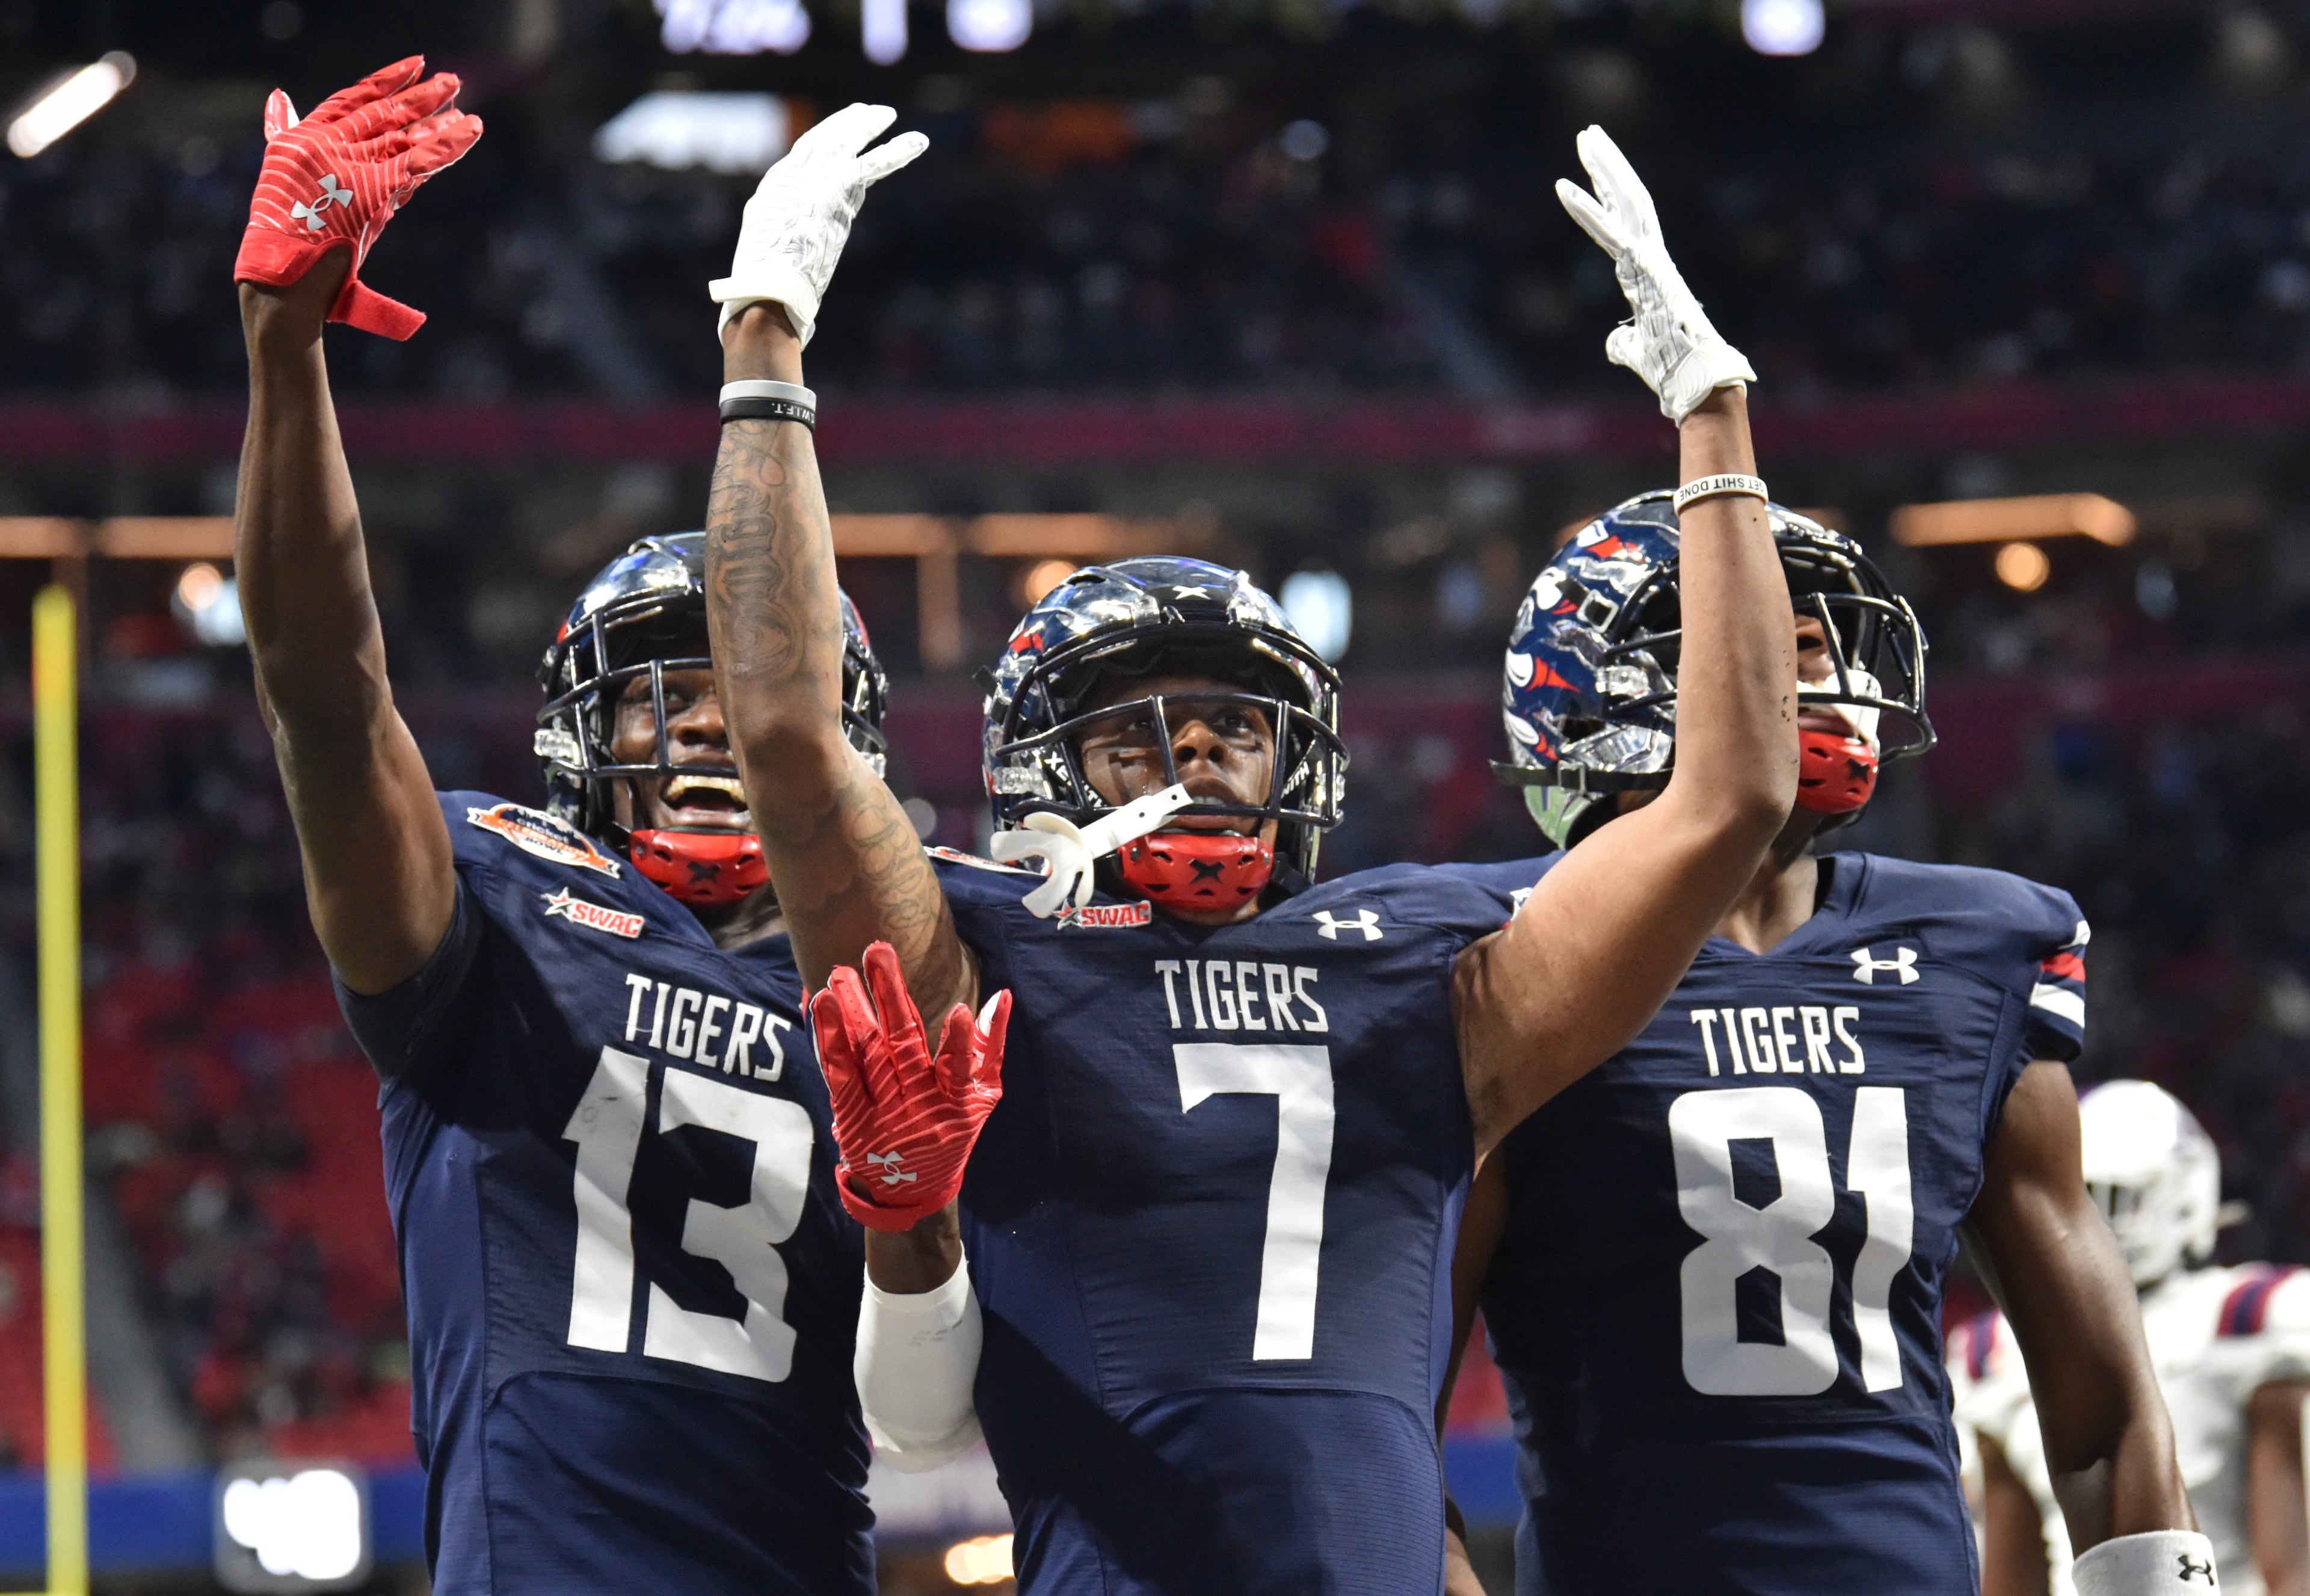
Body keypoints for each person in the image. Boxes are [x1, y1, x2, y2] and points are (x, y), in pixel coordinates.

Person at [700, 116, 1797, 1592]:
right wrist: (763, 348)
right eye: (1136, 738)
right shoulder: (985, 959)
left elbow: (1727, 801)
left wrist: (1711, 417)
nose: (1197, 759)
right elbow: (787, 733)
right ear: (1039, 775)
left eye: (1230, 726)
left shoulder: (1429, 973)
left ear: (1302, 760)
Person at [230, 60, 946, 1594]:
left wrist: (915, 1220)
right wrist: (285, 357)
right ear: (579, 732)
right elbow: (326, 698)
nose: (702, 723)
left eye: (730, 693)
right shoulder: (501, 898)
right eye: (657, 696)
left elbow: (930, 1412)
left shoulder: (899, 969)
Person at [1437, 493, 2207, 1596]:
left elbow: (2102, 1415)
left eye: (1828, 641)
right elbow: (1386, 1427)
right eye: (1779, 643)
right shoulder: (1503, 960)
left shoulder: (1978, 949)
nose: (1832, 675)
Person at [1952, 1081, 2309, 1596]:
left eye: (2117, 1198)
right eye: (2087, 1196)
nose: (2097, 1221)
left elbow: (2292, 1567)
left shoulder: (2244, 1317)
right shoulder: (1995, 1349)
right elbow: (2013, 1577)